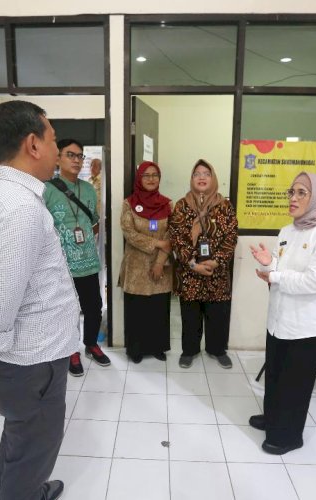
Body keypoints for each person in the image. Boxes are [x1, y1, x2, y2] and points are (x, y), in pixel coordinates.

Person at [0, 100, 75, 500]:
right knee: (35, 444)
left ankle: (23, 489)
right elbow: (3, 294)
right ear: (33, 144)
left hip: (23, 353)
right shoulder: (20, 207)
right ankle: (24, 493)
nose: (57, 150)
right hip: (34, 357)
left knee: (22, 439)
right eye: (54, 140)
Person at [248, 172, 316, 455]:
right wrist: (269, 264)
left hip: (307, 325)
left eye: (302, 192)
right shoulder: (288, 230)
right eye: (292, 192)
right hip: (279, 319)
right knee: (276, 375)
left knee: (295, 383)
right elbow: (280, 266)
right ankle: (273, 420)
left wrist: (275, 275)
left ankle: (288, 436)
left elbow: (315, 281)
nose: (293, 198)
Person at [43, 138, 110, 376]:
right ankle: (71, 350)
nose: (76, 160)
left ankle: (91, 344)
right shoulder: (47, 190)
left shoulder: (89, 189)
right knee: (67, 310)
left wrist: (81, 242)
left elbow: (93, 221)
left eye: (80, 156)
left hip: (89, 262)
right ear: (58, 158)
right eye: (70, 155)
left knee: (93, 306)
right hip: (61, 265)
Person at [169, 159, 237, 369]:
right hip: (190, 273)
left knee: (217, 315)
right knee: (190, 316)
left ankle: (217, 350)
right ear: (192, 178)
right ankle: (189, 351)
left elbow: (231, 236)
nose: (201, 177)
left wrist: (216, 262)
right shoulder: (182, 205)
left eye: (206, 173)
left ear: (213, 178)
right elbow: (177, 236)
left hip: (217, 274)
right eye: (197, 173)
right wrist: (192, 264)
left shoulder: (224, 205)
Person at [119, 161, 172, 363]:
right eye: (146, 175)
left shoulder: (168, 204)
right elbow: (129, 233)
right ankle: (136, 349)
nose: (151, 179)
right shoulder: (128, 203)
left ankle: (157, 347)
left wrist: (159, 262)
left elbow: (170, 236)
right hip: (135, 266)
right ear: (139, 178)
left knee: (158, 308)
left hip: (161, 266)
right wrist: (157, 242)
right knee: (137, 310)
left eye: (155, 175)